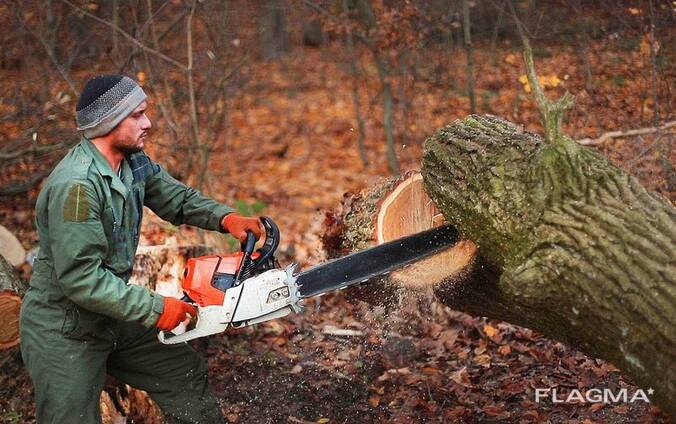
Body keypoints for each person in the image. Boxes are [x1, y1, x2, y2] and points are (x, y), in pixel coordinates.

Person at [19, 74, 264, 423]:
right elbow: (82, 281)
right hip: (64, 328)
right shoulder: (76, 187)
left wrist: (226, 219)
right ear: (108, 122)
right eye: (136, 115)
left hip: (111, 316)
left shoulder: (133, 162)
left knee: (182, 373)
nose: (147, 123)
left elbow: (175, 197)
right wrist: (156, 308)